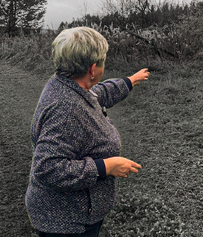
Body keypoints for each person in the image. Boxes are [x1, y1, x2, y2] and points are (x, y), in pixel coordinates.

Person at [26, 27, 150, 236]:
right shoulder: (66, 109)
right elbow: (47, 168)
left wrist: (129, 81)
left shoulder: (67, 86)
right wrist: (104, 167)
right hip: (66, 222)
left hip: (74, 214)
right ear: (93, 69)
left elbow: (98, 94)